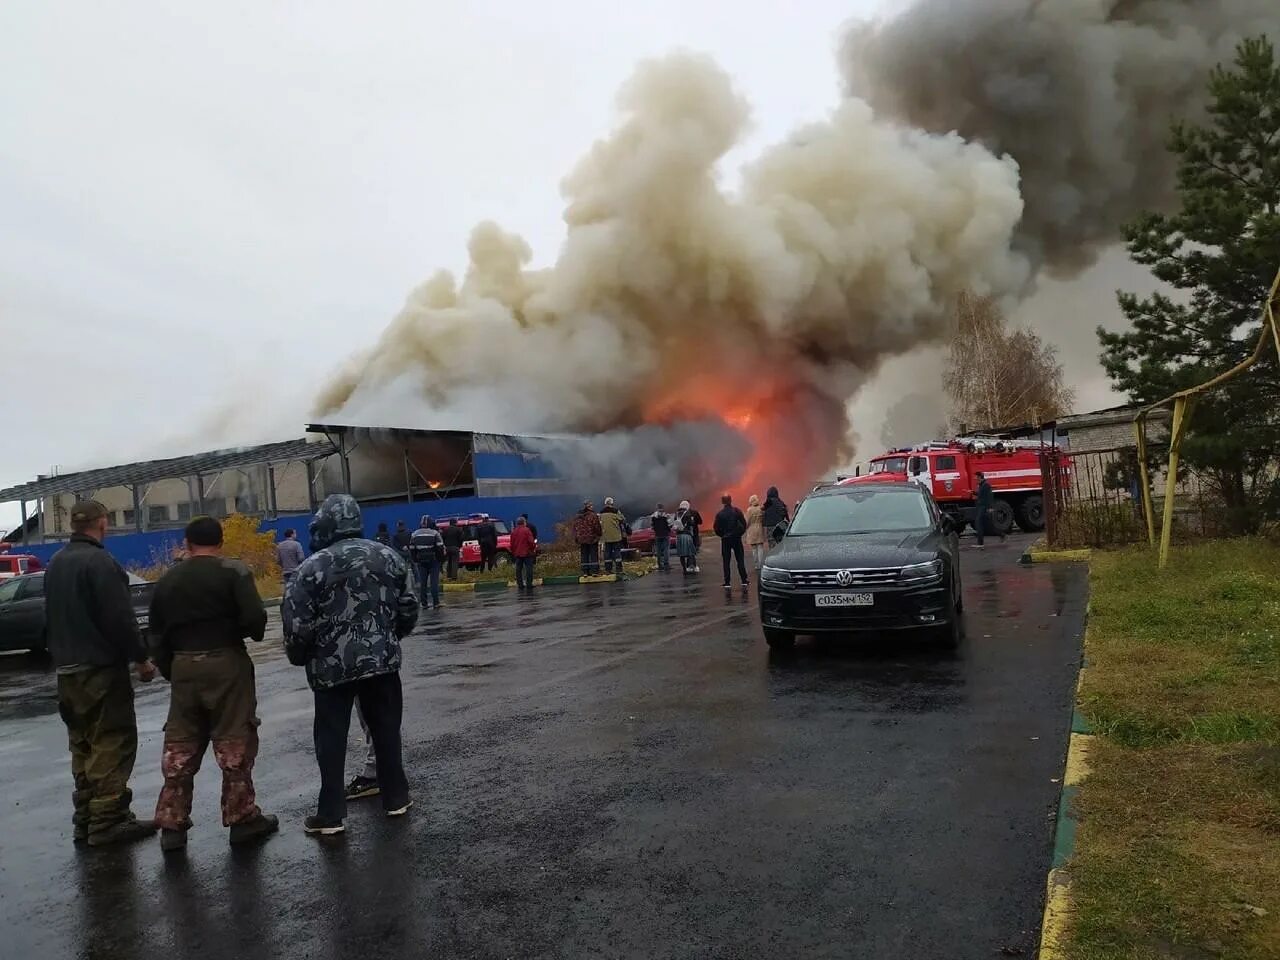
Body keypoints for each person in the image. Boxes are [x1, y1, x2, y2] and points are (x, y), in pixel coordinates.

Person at [282, 494, 419, 836]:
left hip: (330, 670)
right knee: (386, 731)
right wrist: (388, 638)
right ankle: (396, 799)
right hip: (382, 664)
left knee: (331, 741)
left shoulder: (311, 567)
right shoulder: (389, 557)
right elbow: (409, 606)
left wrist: (302, 656)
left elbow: (296, 624)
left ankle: (330, 816)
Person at [149, 516, 277, 851]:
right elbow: (254, 620)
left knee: (181, 743)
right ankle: (242, 818)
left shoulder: (168, 580)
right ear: (220, 542)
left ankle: (172, 826)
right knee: (234, 739)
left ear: (188, 544)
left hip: (183, 665)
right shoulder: (233, 572)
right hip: (226, 662)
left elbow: (155, 634)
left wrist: (172, 668)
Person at [44, 500, 158, 847]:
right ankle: (108, 822)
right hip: (100, 669)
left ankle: (86, 819)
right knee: (112, 741)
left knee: (82, 744)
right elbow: (119, 618)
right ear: (102, 523)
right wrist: (141, 658)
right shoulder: (101, 562)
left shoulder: (56, 564)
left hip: (67, 671)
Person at [713, 495, 750, 591]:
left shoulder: (720, 514)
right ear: (731, 500)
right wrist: (739, 533)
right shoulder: (737, 511)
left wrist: (723, 535)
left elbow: (716, 528)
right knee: (740, 559)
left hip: (725, 540)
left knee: (726, 561)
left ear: (722, 502)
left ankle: (727, 582)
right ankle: (744, 580)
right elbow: (744, 524)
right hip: (737, 539)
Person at [409, 515, 445, 610]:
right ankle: (436, 603)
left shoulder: (414, 534)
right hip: (433, 561)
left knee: (423, 583)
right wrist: (440, 560)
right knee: (434, 583)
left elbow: (412, 549)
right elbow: (440, 548)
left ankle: (424, 603)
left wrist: (416, 560)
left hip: (421, 561)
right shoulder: (435, 533)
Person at [973, 472, 1005, 547]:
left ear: (980, 477)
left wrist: (990, 507)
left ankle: (980, 543)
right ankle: (1002, 535)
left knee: (979, 523)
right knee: (988, 525)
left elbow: (989, 497)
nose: (975, 479)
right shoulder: (981, 485)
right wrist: (973, 492)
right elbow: (981, 494)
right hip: (981, 506)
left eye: (976, 477)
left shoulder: (986, 485)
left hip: (984, 507)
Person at [599, 497, 628, 576]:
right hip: (615, 536)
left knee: (607, 553)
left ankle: (608, 569)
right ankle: (619, 569)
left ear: (605, 504)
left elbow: (599, 523)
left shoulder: (601, 512)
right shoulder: (616, 511)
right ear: (612, 503)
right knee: (617, 552)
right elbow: (623, 519)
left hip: (606, 537)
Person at [573, 500, 603, 575]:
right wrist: (599, 534)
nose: (593, 507)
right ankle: (594, 571)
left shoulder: (578, 516)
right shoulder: (592, 515)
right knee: (593, 554)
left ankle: (585, 571)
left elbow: (575, 527)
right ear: (589, 506)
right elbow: (597, 526)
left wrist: (577, 537)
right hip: (592, 538)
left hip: (581, 538)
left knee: (584, 554)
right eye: (591, 506)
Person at [674, 500, 703, 575]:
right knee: (691, 551)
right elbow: (692, 523)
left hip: (678, 536)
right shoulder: (688, 514)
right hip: (687, 535)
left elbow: (674, 523)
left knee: (681, 554)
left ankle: (684, 569)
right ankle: (694, 566)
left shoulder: (676, 514)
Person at [511, 517, 537, 589]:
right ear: (524, 522)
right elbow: (531, 542)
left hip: (518, 554)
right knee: (529, 569)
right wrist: (533, 548)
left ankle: (520, 584)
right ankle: (529, 584)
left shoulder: (514, 531)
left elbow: (512, 544)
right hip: (527, 553)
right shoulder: (527, 530)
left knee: (518, 570)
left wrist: (514, 552)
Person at [744, 494, 766, 569]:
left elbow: (747, 521)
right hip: (759, 528)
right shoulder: (760, 509)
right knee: (760, 548)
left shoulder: (749, 510)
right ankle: (761, 564)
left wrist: (745, 528)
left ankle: (756, 565)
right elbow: (763, 519)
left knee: (754, 548)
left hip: (751, 529)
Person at [650, 504, 673, 572]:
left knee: (658, 551)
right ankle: (666, 564)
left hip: (657, 535)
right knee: (666, 550)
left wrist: (656, 530)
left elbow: (651, 526)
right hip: (665, 534)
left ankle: (660, 565)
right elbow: (670, 525)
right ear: (663, 508)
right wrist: (668, 529)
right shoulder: (666, 515)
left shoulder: (653, 516)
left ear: (657, 508)